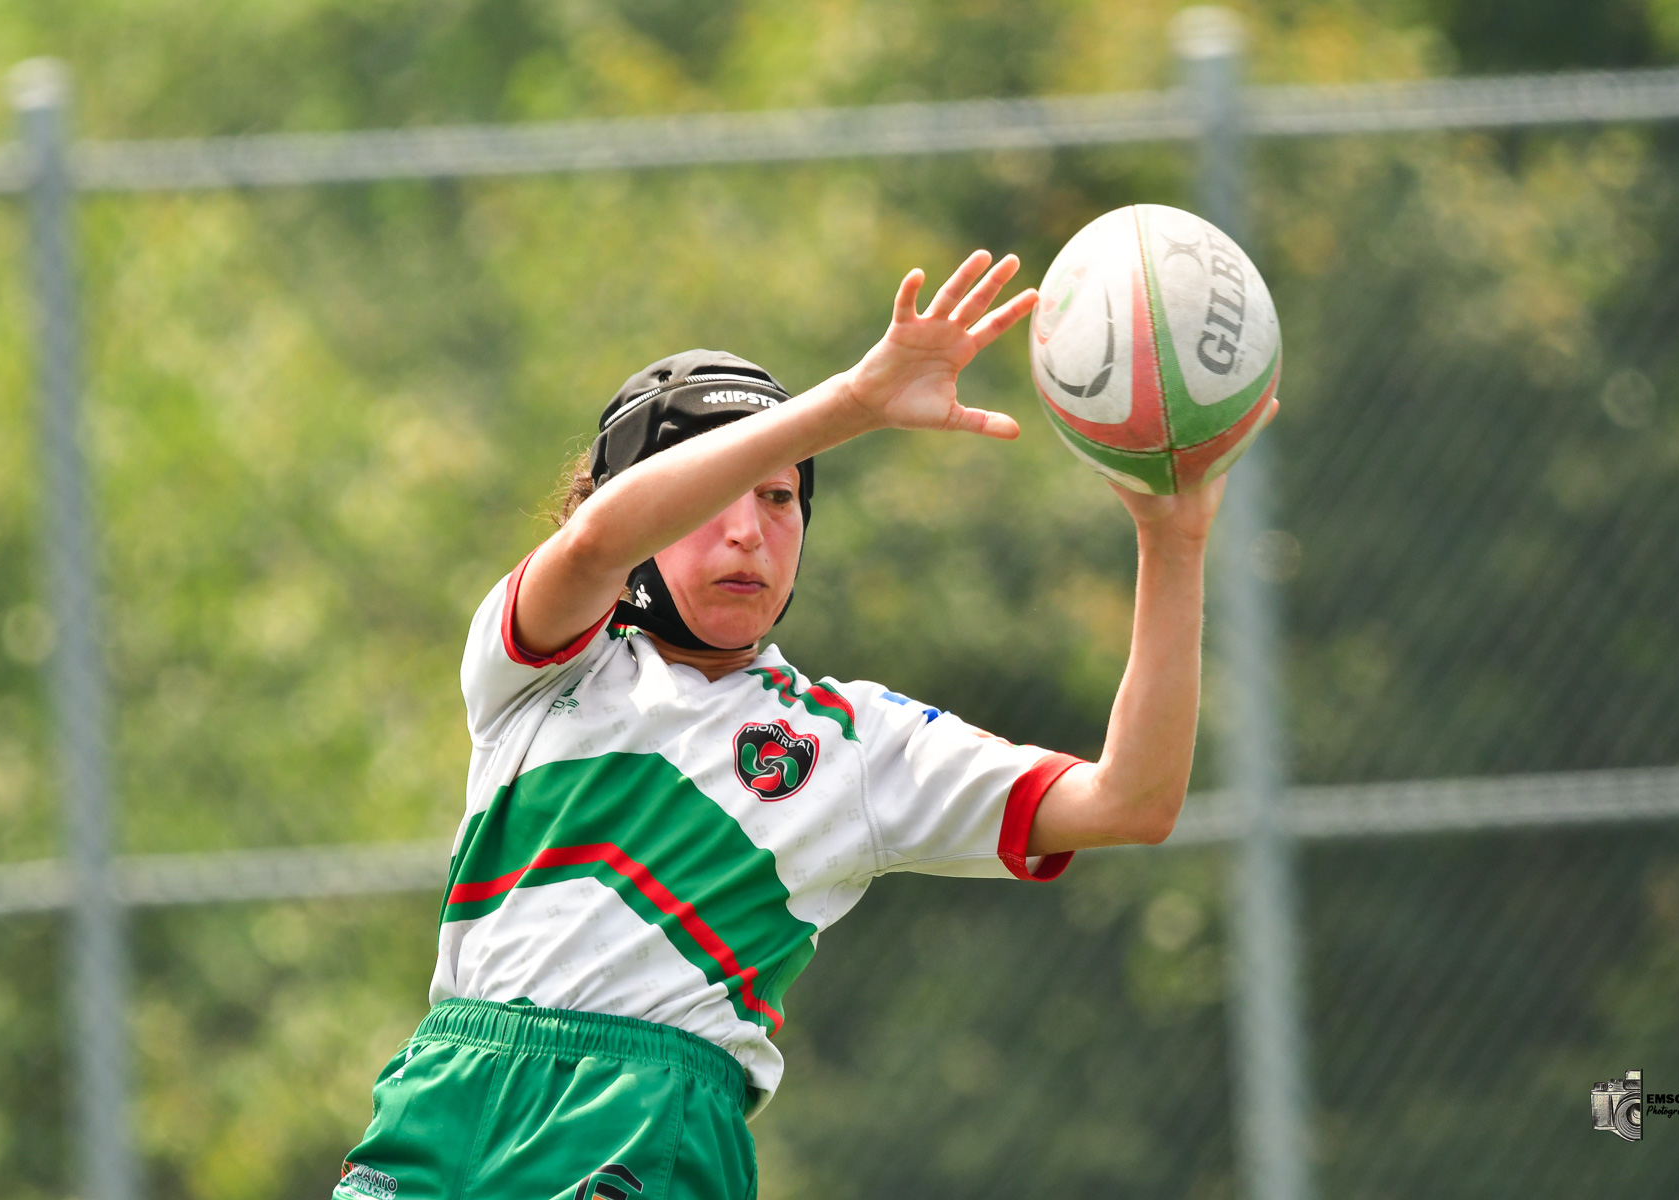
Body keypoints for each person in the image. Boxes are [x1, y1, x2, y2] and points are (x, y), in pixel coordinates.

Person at [335, 250, 1244, 1200]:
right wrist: (856, 400)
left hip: (643, 1137)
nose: (748, 532)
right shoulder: (538, 664)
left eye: (780, 498)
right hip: (443, 1106)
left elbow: (1131, 799)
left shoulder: (852, 744)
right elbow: (599, 541)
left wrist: (1170, 543)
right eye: (711, 497)